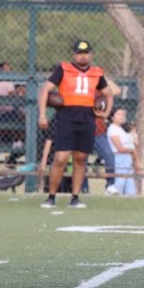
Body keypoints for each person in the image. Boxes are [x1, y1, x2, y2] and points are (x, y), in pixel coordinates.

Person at [38, 40, 116, 209]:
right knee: (61, 158)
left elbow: (109, 94)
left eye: (86, 53)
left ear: (91, 54)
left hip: (87, 118)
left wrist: (106, 113)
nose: (82, 56)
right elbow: (45, 89)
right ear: (74, 54)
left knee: (80, 159)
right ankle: (51, 196)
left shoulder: (97, 73)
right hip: (66, 116)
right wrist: (42, 114)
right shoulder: (63, 69)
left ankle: (75, 197)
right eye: (79, 53)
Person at [106, 107, 138, 195]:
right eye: (118, 114)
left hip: (128, 157)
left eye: (123, 115)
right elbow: (120, 148)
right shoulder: (112, 129)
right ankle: (110, 190)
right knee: (120, 183)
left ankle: (131, 197)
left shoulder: (122, 129)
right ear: (112, 117)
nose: (121, 117)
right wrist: (132, 151)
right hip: (121, 157)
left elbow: (133, 143)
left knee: (130, 185)